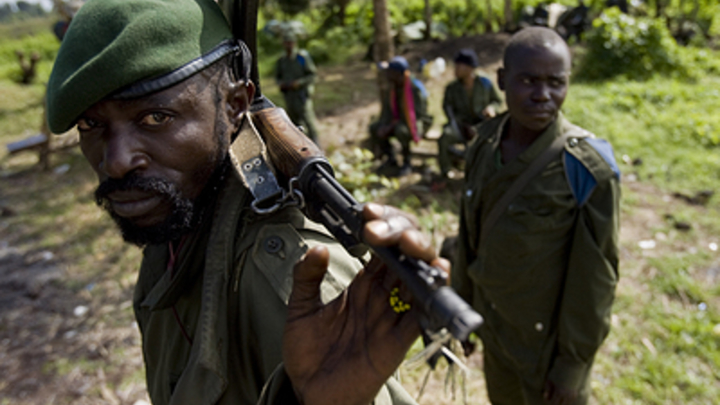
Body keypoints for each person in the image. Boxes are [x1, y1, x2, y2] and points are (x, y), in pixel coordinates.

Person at [45, 0, 448, 404]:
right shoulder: (175, 221)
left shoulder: (287, 273)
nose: (115, 162)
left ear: (235, 105)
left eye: (155, 118)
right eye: (91, 124)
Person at [452, 27, 620, 405]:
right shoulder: (485, 145)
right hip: (496, 331)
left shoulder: (586, 167)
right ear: (501, 80)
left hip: (547, 351)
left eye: (555, 83)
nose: (543, 95)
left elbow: (595, 277)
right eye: (528, 80)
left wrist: (572, 367)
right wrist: (461, 308)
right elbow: (469, 236)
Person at [438, 48, 502, 180]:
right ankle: (447, 170)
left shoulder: (484, 83)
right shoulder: (452, 88)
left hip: (483, 124)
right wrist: (460, 123)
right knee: (445, 138)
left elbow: (497, 101)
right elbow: (447, 108)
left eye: (458, 66)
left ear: (469, 68)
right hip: (460, 125)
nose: (455, 69)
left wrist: (491, 109)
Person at [369, 56, 432, 176]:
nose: (387, 75)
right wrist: (384, 125)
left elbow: (417, 116)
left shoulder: (414, 89)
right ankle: (390, 158)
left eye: (390, 72)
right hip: (397, 122)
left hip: (416, 123)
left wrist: (392, 126)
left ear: (398, 74)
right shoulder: (392, 88)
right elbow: (387, 112)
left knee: (401, 131)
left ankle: (407, 162)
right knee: (375, 127)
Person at [275, 32, 320, 143]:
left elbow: (312, 75)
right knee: (294, 123)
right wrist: (281, 84)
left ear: (295, 43)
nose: (288, 45)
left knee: (308, 120)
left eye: (290, 42)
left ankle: (317, 146)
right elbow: (277, 77)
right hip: (289, 95)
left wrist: (299, 83)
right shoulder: (282, 60)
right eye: (286, 42)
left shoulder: (302, 57)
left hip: (302, 95)